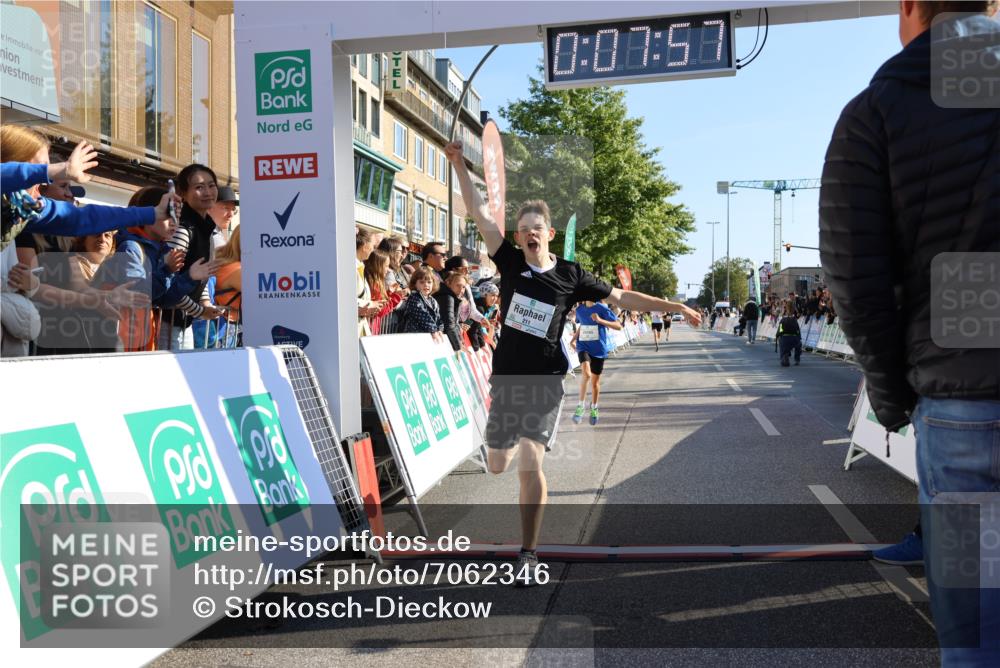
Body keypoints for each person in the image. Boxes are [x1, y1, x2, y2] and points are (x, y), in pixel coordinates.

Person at [818, 2, 999, 664]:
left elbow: (856, 278)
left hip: (964, 401)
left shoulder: (878, 111)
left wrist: (892, 396)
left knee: (978, 635)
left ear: (910, 7)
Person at [446, 139, 702, 586]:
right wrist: (456, 164)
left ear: (547, 234)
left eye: (536, 228)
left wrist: (675, 306)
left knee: (530, 463)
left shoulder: (571, 274)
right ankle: (503, 445)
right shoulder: (509, 262)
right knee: (499, 464)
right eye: (522, 228)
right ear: (518, 236)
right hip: (507, 379)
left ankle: (529, 552)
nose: (529, 233)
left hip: (545, 380)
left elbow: (623, 297)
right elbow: (481, 214)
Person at [570, 299, 622, 426]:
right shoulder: (580, 309)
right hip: (583, 346)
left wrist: (600, 320)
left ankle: (594, 407)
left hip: (598, 349)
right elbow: (582, 325)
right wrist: (573, 339)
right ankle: (580, 406)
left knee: (595, 383)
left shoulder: (602, 308)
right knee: (586, 374)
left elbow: (619, 326)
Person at [400, 266, 444, 343]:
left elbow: (438, 318)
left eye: (429, 282)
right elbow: (422, 315)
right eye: (422, 282)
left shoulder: (433, 301)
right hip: (414, 337)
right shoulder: (414, 297)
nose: (426, 285)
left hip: (428, 336)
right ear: (415, 284)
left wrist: (440, 329)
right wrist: (434, 330)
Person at [434, 269, 469, 351]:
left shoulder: (451, 297)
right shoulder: (447, 297)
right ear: (448, 283)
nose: (461, 290)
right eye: (458, 285)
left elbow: (453, 323)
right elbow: (449, 325)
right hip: (440, 342)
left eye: (463, 287)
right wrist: (458, 346)